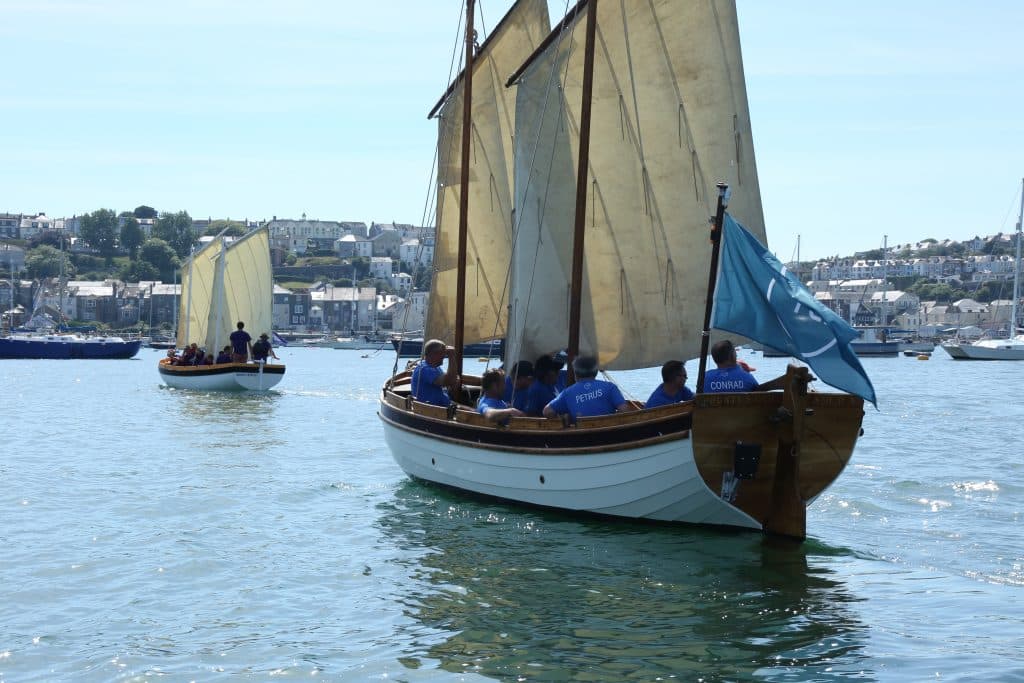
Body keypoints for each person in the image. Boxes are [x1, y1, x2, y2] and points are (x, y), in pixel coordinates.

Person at [544, 355, 629, 421]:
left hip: (582, 435)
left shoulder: (567, 393)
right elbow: (624, 410)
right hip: (609, 432)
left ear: (575, 374)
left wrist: (563, 420)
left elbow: (547, 412)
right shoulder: (610, 387)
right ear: (596, 372)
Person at [703, 339, 787, 393]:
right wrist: (740, 371)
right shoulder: (746, 377)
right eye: (735, 353)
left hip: (712, 416)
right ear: (732, 356)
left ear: (714, 358)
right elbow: (758, 395)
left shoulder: (705, 378)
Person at [411, 339, 459, 407]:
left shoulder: (435, 367)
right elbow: (449, 380)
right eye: (443, 353)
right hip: (430, 409)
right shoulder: (425, 369)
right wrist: (451, 356)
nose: (444, 356)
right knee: (472, 411)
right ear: (433, 354)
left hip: (444, 406)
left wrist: (453, 382)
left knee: (472, 410)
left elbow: (450, 382)